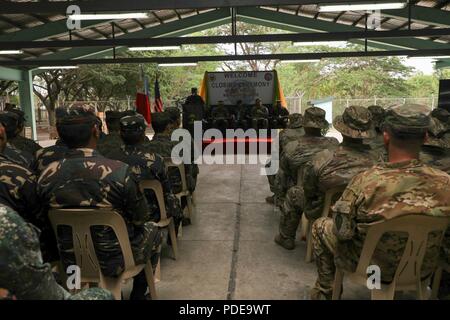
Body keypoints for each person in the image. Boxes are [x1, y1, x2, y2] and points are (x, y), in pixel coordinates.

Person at [310, 104, 450, 300]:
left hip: (370, 268)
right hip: (423, 268)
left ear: (386, 136)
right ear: (426, 137)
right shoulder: (445, 182)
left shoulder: (366, 181)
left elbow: (343, 232)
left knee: (320, 226)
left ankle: (325, 293)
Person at [37, 107, 161, 300]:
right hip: (116, 259)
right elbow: (141, 217)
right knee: (153, 229)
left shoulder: (46, 174)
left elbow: (42, 220)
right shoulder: (119, 171)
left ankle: (74, 289)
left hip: (70, 259)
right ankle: (139, 294)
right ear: (96, 131)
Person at [0, 205, 114, 300]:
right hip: (111, 257)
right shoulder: (5, 221)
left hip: (69, 256)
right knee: (103, 295)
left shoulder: (44, 181)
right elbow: (42, 294)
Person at [274, 107, 339, 250]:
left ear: (304, 123)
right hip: (337, 199)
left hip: (312, 198)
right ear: (323, 125)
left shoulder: (293, 147)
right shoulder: (334, 144)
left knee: (290, 187)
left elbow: (285, 172)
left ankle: (286, 236)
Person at [105, 114, 183, 231]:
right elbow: (167, 191)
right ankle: (169, 238)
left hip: (117, 216)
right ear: (143, 134)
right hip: (152, 214)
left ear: (120, 134)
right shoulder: (155, 160)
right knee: (174, 202)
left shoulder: (108, 159)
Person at [303, 106, 379, 223]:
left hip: (327, 216)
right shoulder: (379, 160)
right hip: (365, 218)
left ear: (341, 129)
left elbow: (309, 190)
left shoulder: (322, 159)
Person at [147, 112, 198, 195]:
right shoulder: (178, 146)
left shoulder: (145, 148)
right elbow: (188, 165)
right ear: (168, 127)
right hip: (175, 186)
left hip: (151, 188)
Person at [265, 113, 304, 204]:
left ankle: (278, 195)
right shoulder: (308, 131)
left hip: (291, 166)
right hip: (309, 165)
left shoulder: (284, 134)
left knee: (269, 165)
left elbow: (276, 153)